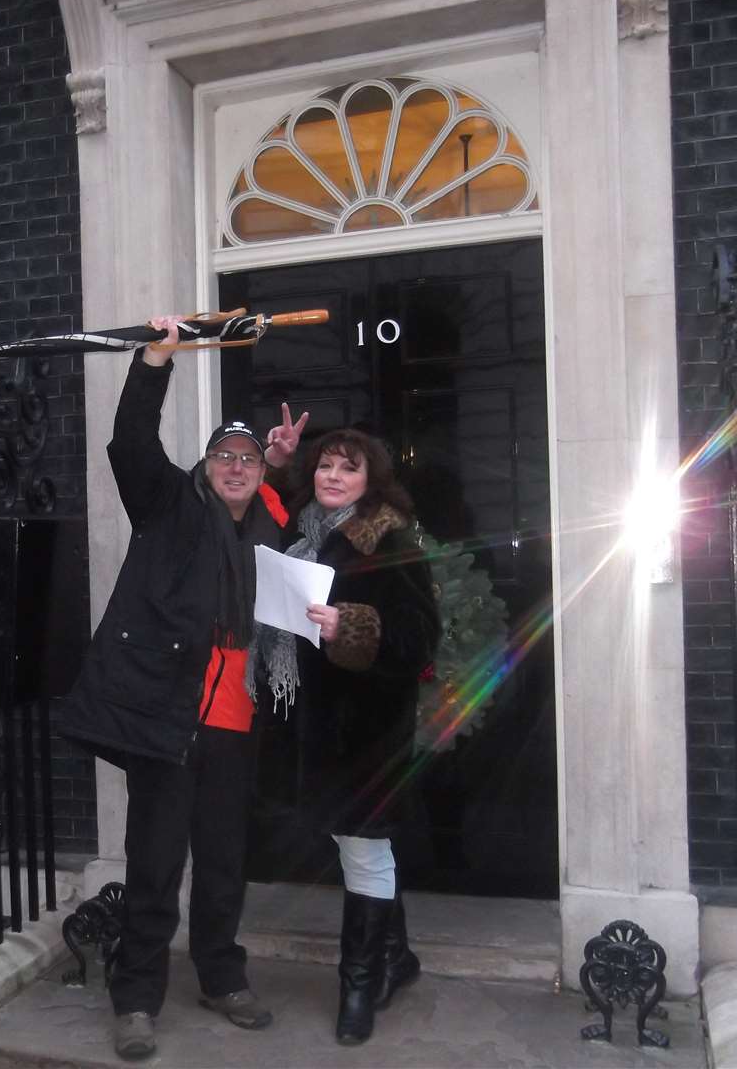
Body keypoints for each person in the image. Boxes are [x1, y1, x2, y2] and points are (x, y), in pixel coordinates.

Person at [59, 316, 308, 1062]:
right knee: (156, 862)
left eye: (246, 459)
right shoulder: (168, 507)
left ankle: (220, 977)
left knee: (225, 859)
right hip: (166, 718)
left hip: (235, 719)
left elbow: (290, 550)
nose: (235, 466)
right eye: (222, 456)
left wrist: (282, 465)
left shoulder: (264, 525)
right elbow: (132, 439)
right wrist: (155, 361)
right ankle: (135, 999)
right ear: (204, 467)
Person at [248, 427, 440, 1046]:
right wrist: (273, 462)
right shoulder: (297, 532)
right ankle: (398, 956)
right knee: (356, 843)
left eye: (348, 469)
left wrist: (350, 626)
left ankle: (358, 984)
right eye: (326, 465)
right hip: (309, 723)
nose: (333, 476)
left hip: (366, 728)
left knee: (361, 845)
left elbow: (419, 639)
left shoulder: (388, 537)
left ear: (370, 481)